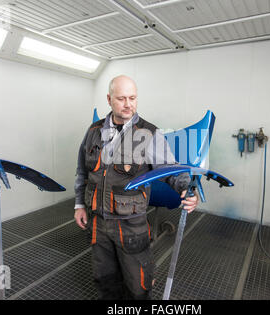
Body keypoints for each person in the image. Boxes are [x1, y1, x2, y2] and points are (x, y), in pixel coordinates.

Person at [74, 75, 198, 300]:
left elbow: (171, 170)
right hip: (98, 223)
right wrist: (79, 205)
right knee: (104, 281)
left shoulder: (149, 133)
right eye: (121, 98)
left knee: (137, 286)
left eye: (132, 98)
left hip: (131, 226)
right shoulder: (93, 131)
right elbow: (83, 171)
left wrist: (188, 189)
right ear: (109, 99)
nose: (128, 104)